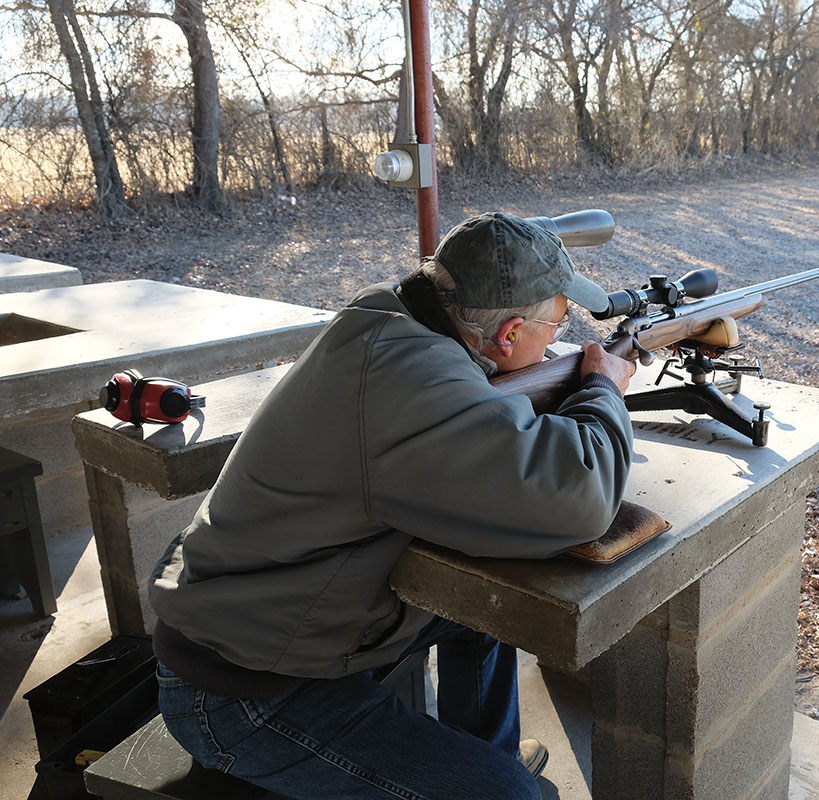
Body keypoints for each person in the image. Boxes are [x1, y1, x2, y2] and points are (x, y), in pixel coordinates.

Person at [148, 212, 637, 800]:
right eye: (555, 327)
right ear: (508, 334)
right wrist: (603, 387)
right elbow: (581, 497)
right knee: (514, 797)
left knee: (486, 612)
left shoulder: (388, 314)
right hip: (243, 694)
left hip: (282, 627)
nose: (558, 342)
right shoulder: (415, 385)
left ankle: (488, 751)